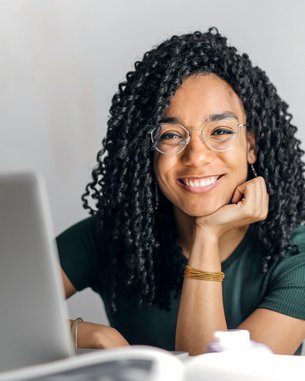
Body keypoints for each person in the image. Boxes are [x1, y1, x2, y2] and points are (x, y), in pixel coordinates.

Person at [57, 27, 305, 355]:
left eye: (220, 131)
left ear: (251, 146)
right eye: (171, 135)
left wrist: (207, 234)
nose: (197, 156)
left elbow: (215, 378)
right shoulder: (111, 236)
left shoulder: (296, 257)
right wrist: (93, 336)